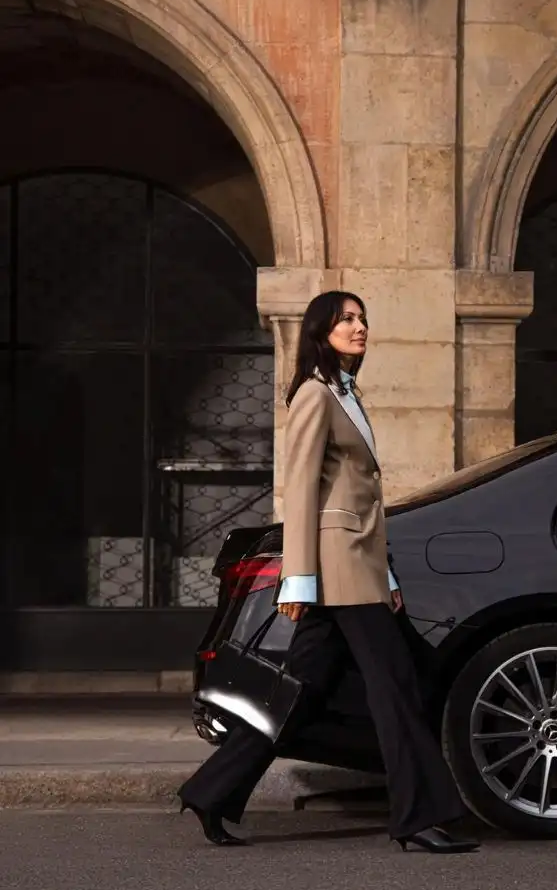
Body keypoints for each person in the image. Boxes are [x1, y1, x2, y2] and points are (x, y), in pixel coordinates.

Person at [177, 290, 478, 854]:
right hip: (339, 570)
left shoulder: (345, 391)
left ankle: (212, 790)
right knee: (397, 688)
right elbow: (300, 492)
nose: (359, 327)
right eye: (346, 319)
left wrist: (385, 577)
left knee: (299, 691)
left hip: (360, 565)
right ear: (321, 330)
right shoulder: (315, 396)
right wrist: (299, 579)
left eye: (363, 318)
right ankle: (417, 817)